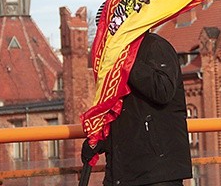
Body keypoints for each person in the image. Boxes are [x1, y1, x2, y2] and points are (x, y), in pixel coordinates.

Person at [81, 29, 192, 186]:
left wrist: (127, 61)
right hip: (124, 173)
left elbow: (163, 90)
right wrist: (101, 141)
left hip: (157, 172)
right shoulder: (113, 55)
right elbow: (121, 110)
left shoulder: (155, 46)